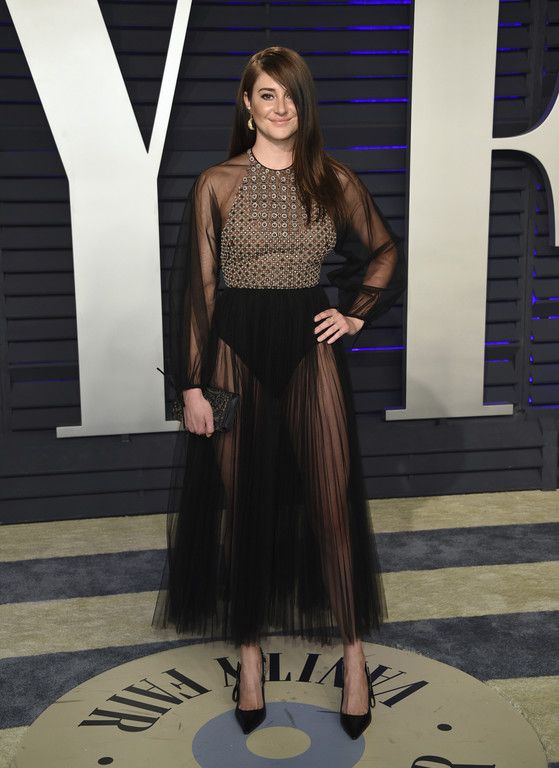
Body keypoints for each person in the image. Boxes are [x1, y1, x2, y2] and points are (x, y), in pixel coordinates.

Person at [153, 45, 406, 739]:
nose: (280, 106)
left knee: (331, 505)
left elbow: (384, 250)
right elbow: (200, 291)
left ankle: (354, 659)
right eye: (267, 94)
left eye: (290, 94)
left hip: (308, 347)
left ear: (304, 102)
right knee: (242, 510)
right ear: (247, 104)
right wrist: (192, 386)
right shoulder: (216, 183)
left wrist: (355, 314)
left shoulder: (332, 179)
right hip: (233, 350)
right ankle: (249, 660)